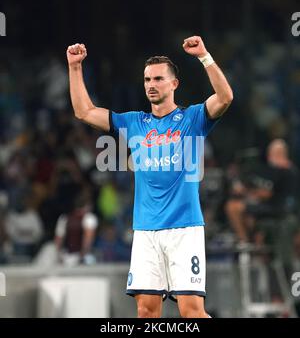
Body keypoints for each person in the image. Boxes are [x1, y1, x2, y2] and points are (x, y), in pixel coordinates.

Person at [66, 35, 233, 318]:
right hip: (145, 231)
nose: (151, 85)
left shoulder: (192, 119)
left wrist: (204, 56)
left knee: (192, 312)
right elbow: (84, 111)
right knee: (145, 311)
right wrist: (74, 67)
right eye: (147, 80)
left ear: (174, 84)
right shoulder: (133, 122)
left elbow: (225, 97)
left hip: (184, 229)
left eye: (157, 79)